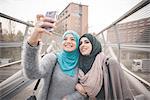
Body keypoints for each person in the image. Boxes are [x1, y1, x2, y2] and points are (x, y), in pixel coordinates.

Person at [22, 14, 84, 100]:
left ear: (78, 44)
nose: (68, 41)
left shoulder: (82, 62)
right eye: (65, 39)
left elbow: (85, 91)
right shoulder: (53, 58)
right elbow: (32, 74)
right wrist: (33, 41)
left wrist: (70, 98)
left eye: (73, 39)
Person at [75, 33, 134, 100]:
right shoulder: (78, 64)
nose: (83, 45)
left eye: (87, 42)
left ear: (94, 45)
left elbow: (123, 90)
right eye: (80, 43)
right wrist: (76, 85)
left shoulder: (108, 64)